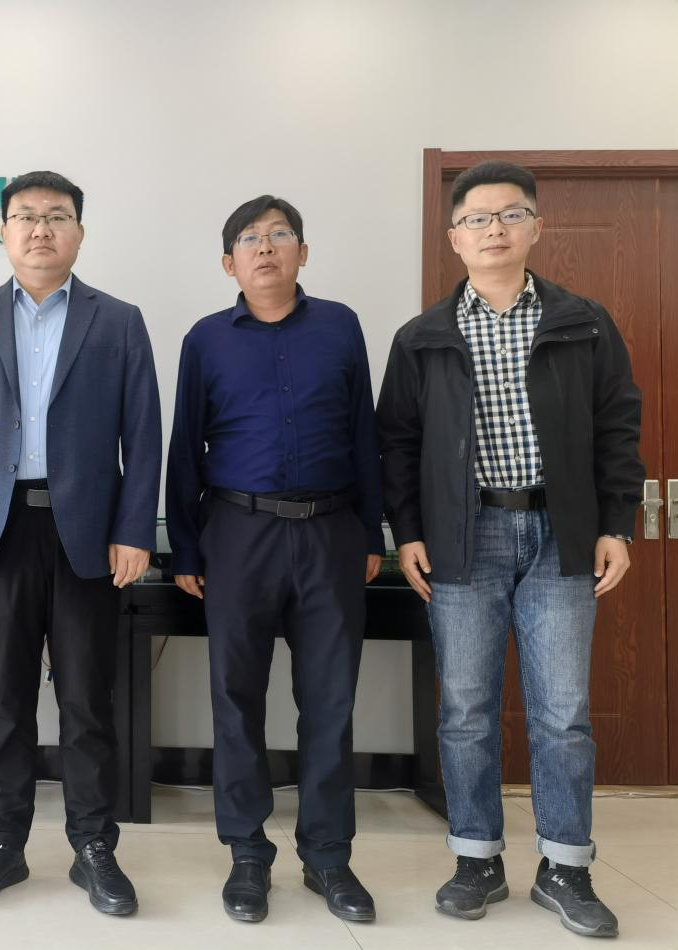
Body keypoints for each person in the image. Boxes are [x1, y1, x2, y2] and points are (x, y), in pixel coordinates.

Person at [377, 160, 642, 939]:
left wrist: (615, 522)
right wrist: (407, 532)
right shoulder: (422, 337)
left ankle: (565, 867)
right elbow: (396, 444)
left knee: (562, 714)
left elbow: (616, 425)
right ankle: (475, 858)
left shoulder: (582, 322)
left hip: (561, 534)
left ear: (534, 228)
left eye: (508, 214)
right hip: (463, 538)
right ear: (453, 237)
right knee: (465, 709)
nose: (492, 229)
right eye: (476, 218)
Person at [0, 170, 160, 915]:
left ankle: (93, 846)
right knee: (4, 698)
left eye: (56, 216)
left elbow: (143, 436)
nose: (40, 229)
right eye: (25, 216)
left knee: (88, 697)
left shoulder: (117, 320)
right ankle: (3, 844)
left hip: (86, 533)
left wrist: (133, 530)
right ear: (3, 232)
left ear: (79, 233)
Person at [166, 196, 384, 925]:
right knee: (235, 699)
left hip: (331, 533)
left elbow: (364, 434)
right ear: (228, 263)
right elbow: (184, 446)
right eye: (250, 239)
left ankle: (328, 856)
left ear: (302, 252)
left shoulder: (340, 326)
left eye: (280, 235)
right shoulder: (205, 339)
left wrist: (372, 534)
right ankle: (247, 854)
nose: (266, 247)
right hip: (238, 534)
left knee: (330, 701)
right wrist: (186, 546)